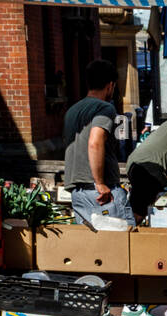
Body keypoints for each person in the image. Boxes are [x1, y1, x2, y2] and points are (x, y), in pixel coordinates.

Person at [63, 58, 135, 228]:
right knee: (124, 243)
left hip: (78, 191)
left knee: (93, 248)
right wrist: (100, 183)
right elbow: (95, 142)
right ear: (110, 85)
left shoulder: (72, 110)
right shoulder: (104, 108)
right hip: (101, 192)